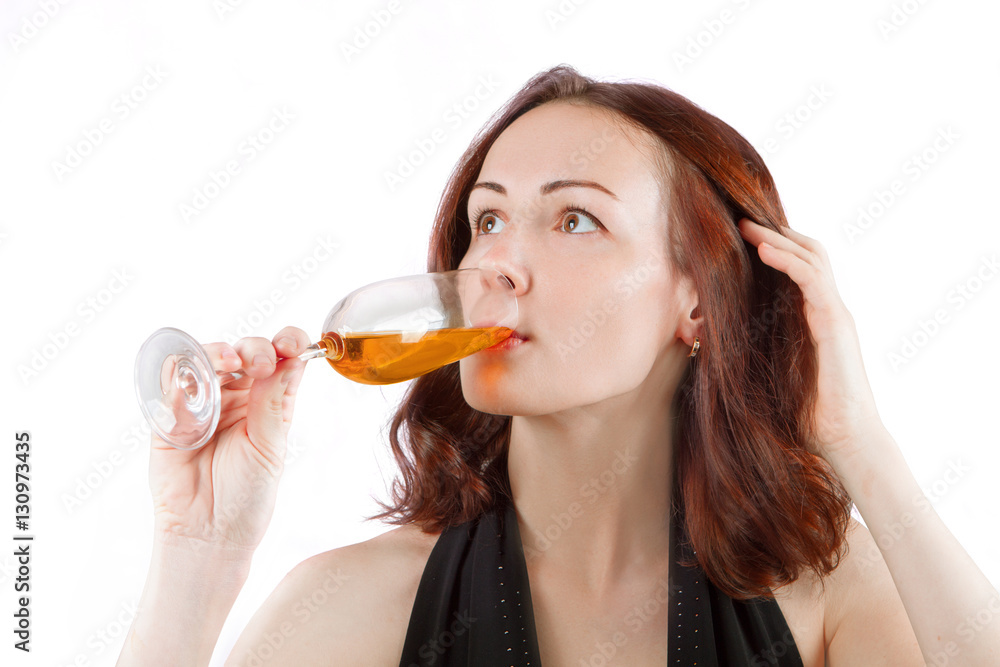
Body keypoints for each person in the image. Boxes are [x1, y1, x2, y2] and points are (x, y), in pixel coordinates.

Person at [117, 65, 998, 666]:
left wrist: (862, 447)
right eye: (489, 219)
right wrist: (198, 558)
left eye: (576, 219)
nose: (496, 261)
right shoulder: (357, 607)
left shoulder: (822, 597)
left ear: (698, 302)